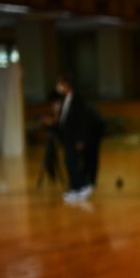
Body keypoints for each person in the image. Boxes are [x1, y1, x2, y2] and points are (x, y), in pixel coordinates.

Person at [54, 74, 104, 204]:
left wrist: (81, 139)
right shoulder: (66, 99)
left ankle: (82, 186)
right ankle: (74, 190)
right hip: (68, 136)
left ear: (67, 84)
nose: (59, 87)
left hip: (75, 137)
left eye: (60, 84)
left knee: (73, 163)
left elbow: (82, 122)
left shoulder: (78, 99)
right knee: (69, 163)